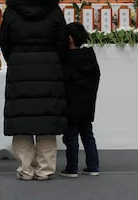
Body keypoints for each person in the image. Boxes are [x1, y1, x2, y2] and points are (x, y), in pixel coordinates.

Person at [0, 0, 69, 181]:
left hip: (20, 67)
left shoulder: (11, 12)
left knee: (22, 122)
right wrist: (54, 59)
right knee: (47, 121)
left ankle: (25, 169)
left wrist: (14, 59)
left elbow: (5, 41)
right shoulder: (54, 11)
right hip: (49, 67)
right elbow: (62, 41)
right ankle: (45, 170)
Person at [60, 22, 101, 178]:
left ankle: (72, 168)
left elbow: (64, 81)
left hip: (71, 105)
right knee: (88, 135)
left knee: (71, 137)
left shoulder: (67, 59)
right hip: (87, 104)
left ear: (69, 39)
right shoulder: (90, 56)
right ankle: (93, 166)